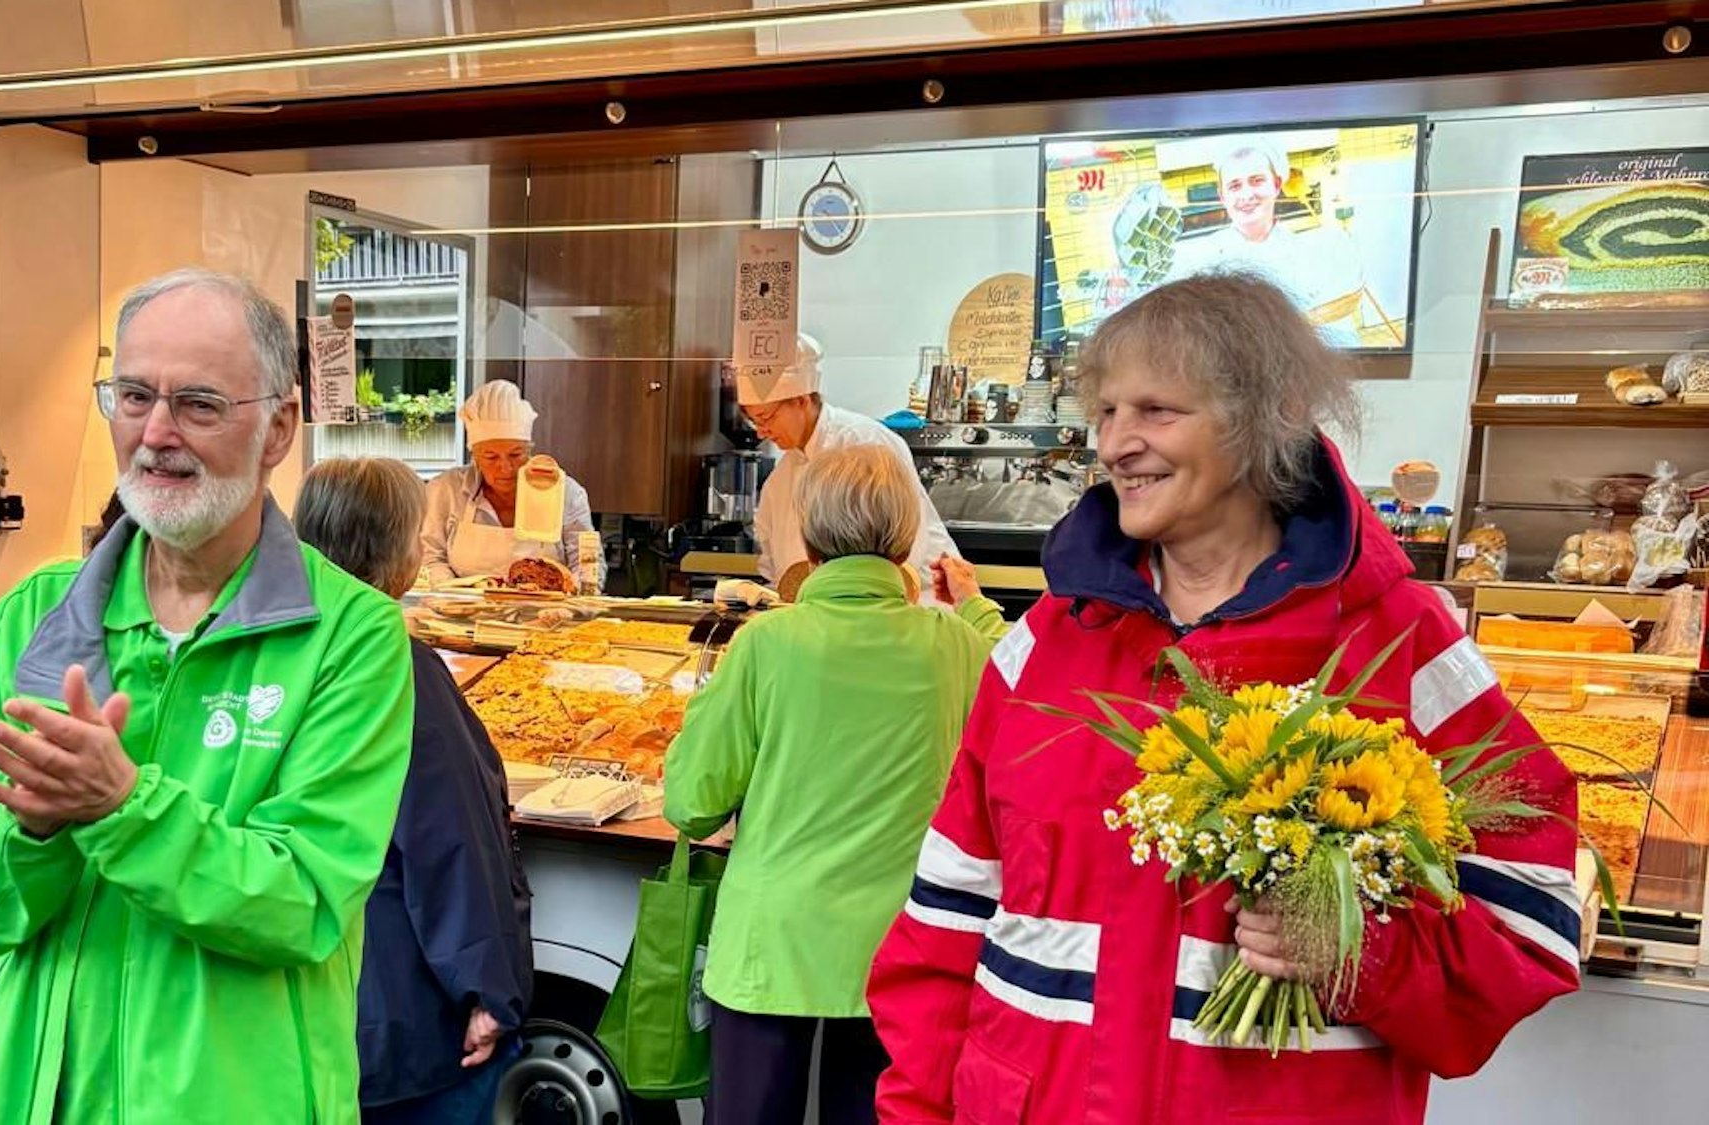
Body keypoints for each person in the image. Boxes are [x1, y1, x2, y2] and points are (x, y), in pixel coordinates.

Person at [867, 272, 1579, 1125]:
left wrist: (1358, 952)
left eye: (1157, 410)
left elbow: (1533, 920)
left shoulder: (1397, 643)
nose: (1116, 443)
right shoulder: (1044, 646)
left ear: (1267, 420)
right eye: (1106, 413)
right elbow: (942, 928)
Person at [0, 268, 415, 1125]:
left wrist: (119, 805)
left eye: (200, 404)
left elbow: (302, 904)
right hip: (41, 1099)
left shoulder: (348, 637)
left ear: (281, 427)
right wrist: (32, 829)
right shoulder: (36, 619)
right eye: (133, 395)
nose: (155, 433)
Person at [663, 443, 993, 1125]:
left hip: (771, 946)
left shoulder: (767, 644)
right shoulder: (956, 646)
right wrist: (975, 603)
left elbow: (691, 805)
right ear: (904, 539)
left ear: (808, 541)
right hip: (902, 953)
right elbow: (1019, 675)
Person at [293, 457, 534, 1125]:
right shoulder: (397, 667)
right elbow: (452, 841)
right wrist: (489, 991)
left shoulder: (271, 651)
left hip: (299, 1016)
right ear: (399, 554)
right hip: (400, 1017)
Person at [743, 333, 960, 602]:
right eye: (754, 421)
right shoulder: (780, 479)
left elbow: (904, 544)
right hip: (819, 625)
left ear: (802, 399)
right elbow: (773, 564)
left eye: (766, 417)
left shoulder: (863, 443)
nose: (762, 432)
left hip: (904, 613)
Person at [421, 380, 599, 585]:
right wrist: (454, 595)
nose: (505, 468)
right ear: (475, 456)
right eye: (491, 457)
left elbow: (587, 564)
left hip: (544, 611)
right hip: (464, 610)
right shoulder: (445, 490)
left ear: (529, 451)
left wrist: (572, 599)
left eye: (515, 455)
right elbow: (431, 557)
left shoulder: (566, 493)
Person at [1198, 140, 1364, 347]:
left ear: (1276, 185)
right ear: (1222, 196)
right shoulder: (1206, 258)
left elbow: (1340, 336)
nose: (1247, 195)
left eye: (1257, 181)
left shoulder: (1307, 253)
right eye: (1235, 186)